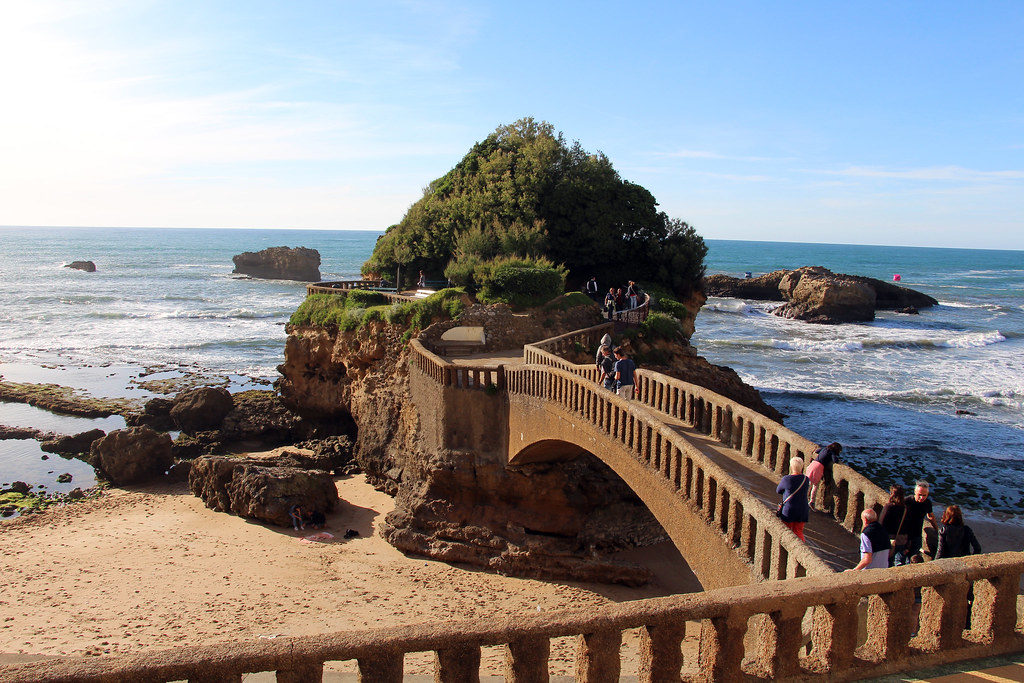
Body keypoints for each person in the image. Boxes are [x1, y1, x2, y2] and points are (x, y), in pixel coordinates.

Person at [776, 457, 810, 541]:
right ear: (802, 467)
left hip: (789, 509)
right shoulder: (806, 479)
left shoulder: (787, 479)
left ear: (791, 467)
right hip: (802, 509)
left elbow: (778, 490)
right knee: (798, 531)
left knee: (786, 531)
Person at [905, 481, 938, 560]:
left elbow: (930, 516)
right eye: (920, 495)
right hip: (904, 535)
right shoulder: (907, 501)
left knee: (914, 558)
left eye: (924, 495)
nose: (922, 497)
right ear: (915, 492)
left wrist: (937, 530)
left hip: (917, 535)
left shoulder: (927, 503)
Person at [879, 485, 909, 566]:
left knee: (886, 562)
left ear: (892, 494)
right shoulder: (905, 508)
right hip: (901, 539)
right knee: (898, 562)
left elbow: (881, 523)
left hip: (888, 539)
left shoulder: (889, 507)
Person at [807, 442, 841, 512]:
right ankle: (812, 502)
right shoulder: (831, 452)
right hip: (818, 467)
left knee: (808, 482)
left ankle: (803, 498)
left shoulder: (825, 449)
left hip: (813, 463)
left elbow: (817, 451)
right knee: (815, 485)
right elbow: (835, 460)